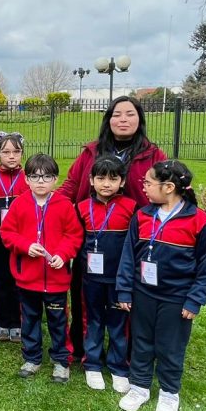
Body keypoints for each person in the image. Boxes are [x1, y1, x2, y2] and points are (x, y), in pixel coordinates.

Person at [59, 96, 168, 359]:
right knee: (86, 297)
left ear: (139, 119)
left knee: (128, 298)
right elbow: (71, 187)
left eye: (130, 114)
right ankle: (85, 351)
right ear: (108, 120)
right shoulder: (91, 151)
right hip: (91, 238)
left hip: (133, 240)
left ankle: (126, 354)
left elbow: (166, 191)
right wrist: (48, 208)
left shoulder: (153, 155)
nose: (123, 119)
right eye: (117, 114)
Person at [116, 160, 206, 411]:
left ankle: (169, 393)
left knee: (170, 347)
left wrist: (194, 300)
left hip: (176, 299)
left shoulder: (199, 222)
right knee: (141, 342)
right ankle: (139, 387)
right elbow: (128, 256)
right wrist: (125, 291)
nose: (144, 188)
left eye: (148, 183)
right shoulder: (142, 216)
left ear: (169, 187)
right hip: (144, 294)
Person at [0, 153, 84, 383]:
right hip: (27, 278)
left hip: (56, 279)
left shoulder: (65, 205)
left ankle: (60, 361)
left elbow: (74, 235)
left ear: (55, 179)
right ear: (26, 179)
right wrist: (25, 246)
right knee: (30, 319)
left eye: (47, 177)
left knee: (58, 321)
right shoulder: (20, 203)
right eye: (35, 177)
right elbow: (7, 233)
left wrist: (63, 254)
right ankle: (32, 357)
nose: (40, 182)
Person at [76, 156, 136, 393]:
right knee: (93, 321)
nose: (106, 184)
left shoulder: (131, 208)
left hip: (119, 280)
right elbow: (76, 241)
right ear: (91, 180)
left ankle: (118, 367)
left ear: (122, 182)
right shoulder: (81, 207)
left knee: (119, 323)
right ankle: (92, 364)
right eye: (100, 178)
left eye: (113, 179)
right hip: (91, 279)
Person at [0, 132, 28, 342]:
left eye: (16, 152)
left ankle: (18, 322)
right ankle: (2, 320)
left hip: (21, 240)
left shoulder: (28, 178)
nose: (11, 156)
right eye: (6, 152)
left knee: (18, 280)